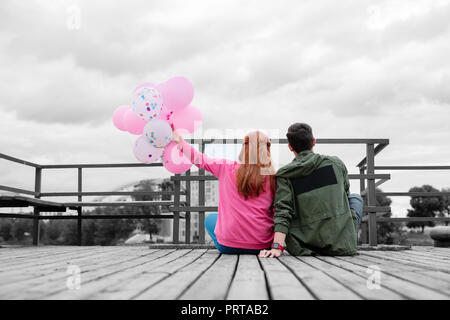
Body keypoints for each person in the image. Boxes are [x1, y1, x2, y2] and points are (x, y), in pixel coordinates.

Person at [259, 123, 363, 258]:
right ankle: (347, 235)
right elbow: (344, 194)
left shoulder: (285, 174)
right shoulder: (336, 164)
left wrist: (277, 247)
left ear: (290, 147)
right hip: (342, 245)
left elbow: (282, 211)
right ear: (313, 142)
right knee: (355, 198)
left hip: (303, 246)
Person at [172, 130, 276, 254]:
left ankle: (229, 238)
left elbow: (200, 159)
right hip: (262, 245)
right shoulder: (273, 177)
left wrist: (179, 140)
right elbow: (276, 213)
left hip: (229, 246)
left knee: (210, 219)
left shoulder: (226, 167)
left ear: (245, 148)